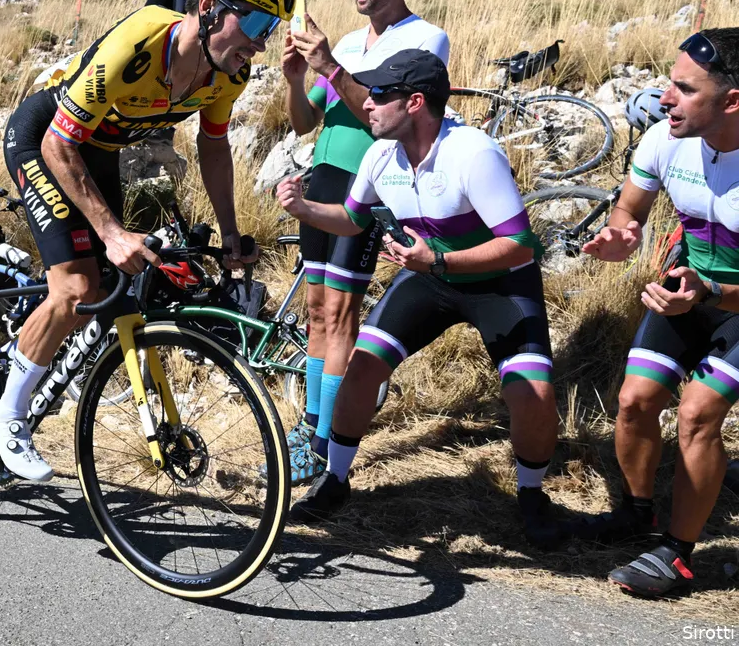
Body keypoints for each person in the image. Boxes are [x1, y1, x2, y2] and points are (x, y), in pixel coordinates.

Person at [0, 0, 292, 482]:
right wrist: (108, 231)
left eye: (270, 29)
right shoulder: (137, 44)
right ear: (207, 7)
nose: (261, 43)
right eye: (253, 25)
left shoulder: (230, 72)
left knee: (113, 285)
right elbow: (59, 145)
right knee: (77, 285)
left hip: (99, 150)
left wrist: (229, 236)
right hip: (46, 138)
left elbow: (215, 146)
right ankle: (6, 413)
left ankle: (40, 353)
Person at [276, 49, 562, 548]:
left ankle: (533, 497)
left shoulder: (473, 154)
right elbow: (351, 219)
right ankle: (336, 479)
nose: (367, 104)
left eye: (380, 95)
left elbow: (520, 244)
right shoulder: (379, 153)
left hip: (499, 281)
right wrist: (303, 207)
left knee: (531, 391)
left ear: (414, 103)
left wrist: (441, 263)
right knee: (362, 366)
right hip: (430, 274)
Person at [281, 0, 450, 485]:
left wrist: (330, 65)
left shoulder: (426, 39)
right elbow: (306, 122)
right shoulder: (349, 42)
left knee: (340, 314)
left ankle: (327, 440)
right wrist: (294, 77)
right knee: (313, 311)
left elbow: (381, 115)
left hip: (368, 184)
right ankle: (309, 427)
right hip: (322, 177)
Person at [576, 29, 739, 597]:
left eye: (685, 89)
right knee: (635, 400)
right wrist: (621, 236)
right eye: (670, 82)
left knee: (696, 414)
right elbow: (629, 206)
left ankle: (677, 554)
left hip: (730, 300)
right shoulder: (667, 139)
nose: (664, 98)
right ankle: (637, 512)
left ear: (732, 101)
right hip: (689, 289)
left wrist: (711, 293)